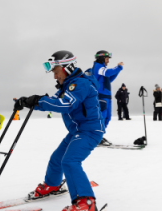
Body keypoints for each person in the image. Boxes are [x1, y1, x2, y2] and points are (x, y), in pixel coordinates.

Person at [15, 50, 104, 211]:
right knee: (57, 159)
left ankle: (86, 202)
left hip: (90, 131)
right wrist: (30, 102)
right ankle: (52, 185)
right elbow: (54, 100)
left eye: (56, 72)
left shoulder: (80, 84)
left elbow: (65, 104)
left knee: (70, 161)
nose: (55, 76)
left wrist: (38, 100)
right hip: (77, 131)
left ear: (67, 68)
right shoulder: (67, 86)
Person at [92, 50, 123, 145]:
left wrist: (118, 70)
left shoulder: (103, 68)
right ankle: (95, 137)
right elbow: (108, 73)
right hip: (101, 96)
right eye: (107, 59)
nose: (108, 61)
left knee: (108, 117)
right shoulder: (98, 67)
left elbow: (110, 78)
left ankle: (99, 136)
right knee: (102, 117)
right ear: (101, 58)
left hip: (107, 97)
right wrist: (118, 67)